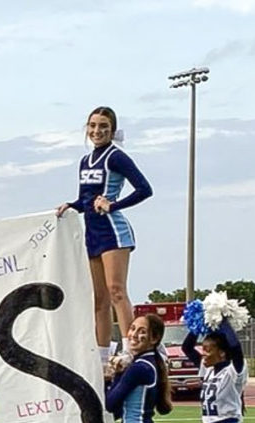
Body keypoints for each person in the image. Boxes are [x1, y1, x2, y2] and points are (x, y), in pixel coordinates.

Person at [56, 106, 153, 365]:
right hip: (92, 233)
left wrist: (114, 204)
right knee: (98, 299)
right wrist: (71, 205)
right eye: (93, 126)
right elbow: (86, 199)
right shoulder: (85, 161)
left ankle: (131, 349)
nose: (97, 131)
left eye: (103, 127)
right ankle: (100, 357)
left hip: (114, 231)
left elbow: (145, 189)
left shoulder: (116, 157)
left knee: (116, 291)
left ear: (112, 131)